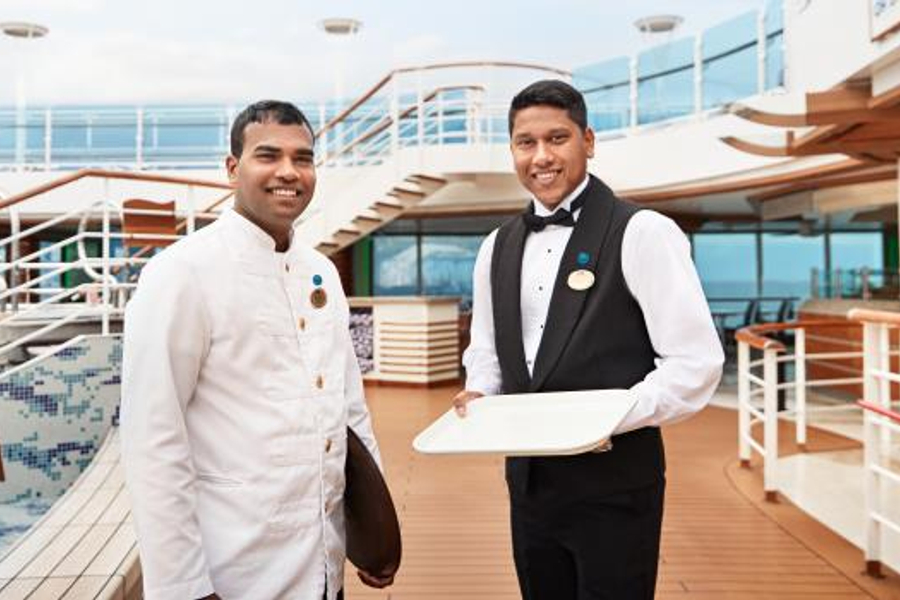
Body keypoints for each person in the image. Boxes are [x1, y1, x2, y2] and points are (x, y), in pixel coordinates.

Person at [453, 80, 724, 599]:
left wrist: (603, 418)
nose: (541, 157)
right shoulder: (495, 246)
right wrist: (481, 391)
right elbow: (486, 350)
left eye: (557, 138)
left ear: (589, 141)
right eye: (526, 143)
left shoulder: (644, 231)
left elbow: (695, 362)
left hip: (614, 486)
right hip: (529, 484)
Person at [121, 100, 393, 600]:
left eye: (303, 158)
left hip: (323, 565)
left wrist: (376, 530)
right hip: (234, 571)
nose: (289, 171)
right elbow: (152, 440)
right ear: (232, 169)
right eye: (268, 155)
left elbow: (349, 411)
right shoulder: (181, 273)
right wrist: (184, 586)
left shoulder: (322, 271)